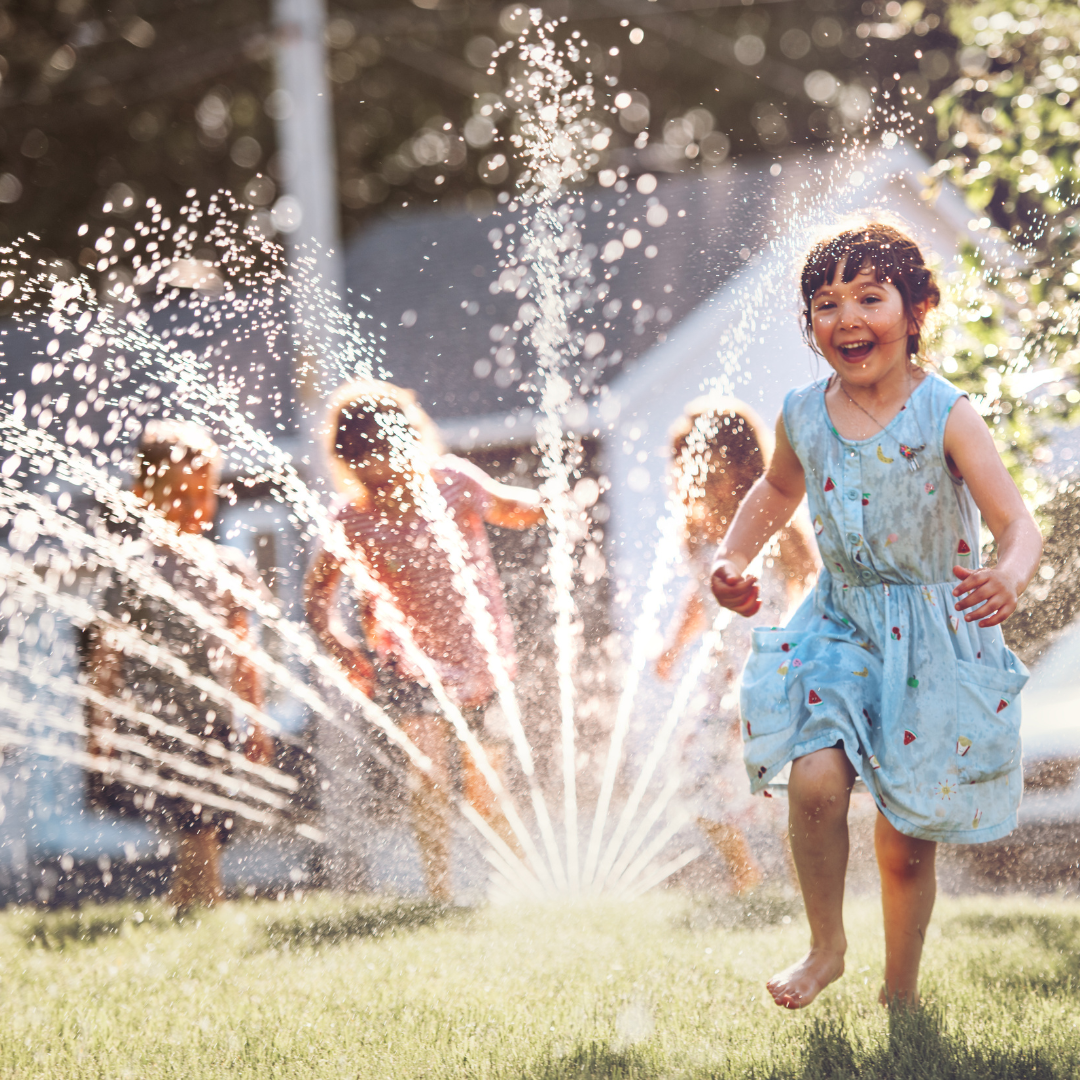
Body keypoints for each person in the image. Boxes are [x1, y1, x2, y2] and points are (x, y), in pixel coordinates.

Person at [710, 222, 1041, 1009]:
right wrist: (734, 560)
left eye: (870, 297)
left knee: (904, 845)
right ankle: (826, 947)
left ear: (918, 307)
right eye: (826, 304)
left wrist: (1009, 576)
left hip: (932, 638)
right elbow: (779, 491)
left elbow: (1018, 523)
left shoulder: (946, 413)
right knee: (815, 781)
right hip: (842, 621)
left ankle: (901, 992)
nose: (847, 317)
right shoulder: (803, 413)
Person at [304, 379, 546, 902]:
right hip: (410, 663)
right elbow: (316, 595)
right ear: (350, 460)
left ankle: (525, 883)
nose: (383, 470)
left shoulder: (452, 482)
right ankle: (440, 893)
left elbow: (508, 506)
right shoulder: (352, 519)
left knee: (487, 791)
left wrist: (544, 502)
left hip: (485, 663)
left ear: (410, 439)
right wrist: (339, 644)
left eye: (389, 452)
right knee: (430, 773)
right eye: (367, 460)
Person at [86, 420, 274, 909]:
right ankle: (207, 900)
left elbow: (243, 651)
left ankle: (185, 898)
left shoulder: (230, 567)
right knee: (198, 813)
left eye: (204, 493)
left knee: (212, 815)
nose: (195, 508)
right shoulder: (131, 568)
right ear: (142, 494)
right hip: (155, 717)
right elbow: (107, 652)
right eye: (180, 495)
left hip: (214, 715)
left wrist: (256, 720)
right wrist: (100, 724)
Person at [656, 398, 816, 893]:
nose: (704, 481)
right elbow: (698, 598)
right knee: (693, 773)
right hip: (721, 678)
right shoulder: (698, 531)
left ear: (744, 465)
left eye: (714, 469)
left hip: (773, 668)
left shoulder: (773, 518)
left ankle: (803, 880)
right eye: (693, 470)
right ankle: (744, 872)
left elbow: (809, 577)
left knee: (783, 780)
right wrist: (673, 648)